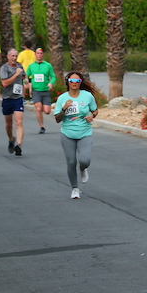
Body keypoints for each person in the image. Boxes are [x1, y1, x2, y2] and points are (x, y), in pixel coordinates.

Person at [54, 71, 99, 199]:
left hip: (85, 131)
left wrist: (92, 115)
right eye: (72, 81)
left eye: (77, 81)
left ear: (81, 82)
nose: (74, 83)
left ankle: (83, 169)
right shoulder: (63, 98)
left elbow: (95, 110)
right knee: (71, 162)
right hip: (67, 133)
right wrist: (64, 108)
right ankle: (75, 188)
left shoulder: (87, 96)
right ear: (67, 82)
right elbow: (57, 119)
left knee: (85, 160)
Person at [0, 48, 26, 156]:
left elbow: (24, 77)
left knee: (19, 122)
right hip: (7, 98)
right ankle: (11, 139)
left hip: (18, 98)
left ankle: (18, 145)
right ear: (8, 56)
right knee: (9, 123)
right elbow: (4, 83)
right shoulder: (4, 68)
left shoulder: (20, 66)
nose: (14, 58)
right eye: (12, 56)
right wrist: (16, 75)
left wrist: (27, 84)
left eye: (16, 56)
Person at [26, 47, 56, 134]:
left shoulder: (48, 65)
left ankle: (44, 107)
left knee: (47, 111)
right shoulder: (31, 66)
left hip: (45, 91)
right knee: (38, 108)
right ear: (35, 55)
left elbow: (53, 76)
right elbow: (25, 76)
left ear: (43, 55)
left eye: (41, 53)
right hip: (36, 91)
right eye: (37, 53)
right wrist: (26, 82)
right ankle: (42, 126)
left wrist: (51, 83)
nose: (39, 55)